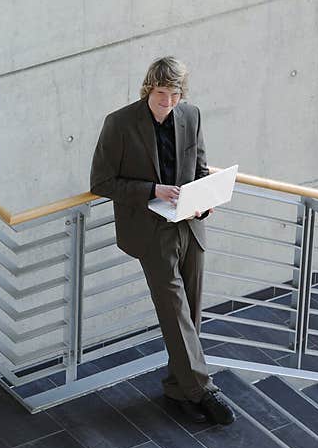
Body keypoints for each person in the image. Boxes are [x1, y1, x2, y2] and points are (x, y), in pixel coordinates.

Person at [89, 56, 235, 425]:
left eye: (174, 95)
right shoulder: (120, 124)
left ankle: (177, 387)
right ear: (147, 88)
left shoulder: (191, 115)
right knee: (174, 310)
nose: (168, 102)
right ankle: (203, 389)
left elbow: (200, 169)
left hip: (190, 225)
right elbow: (102, 183)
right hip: (150, 232)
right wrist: (153, 189)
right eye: (161, 94)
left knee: (190, 313)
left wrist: (204, 203)